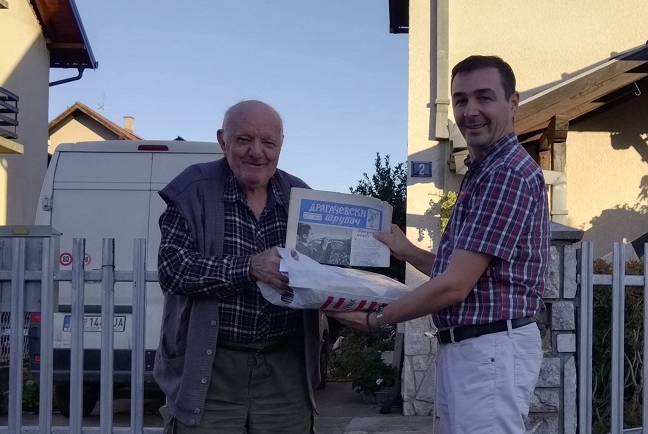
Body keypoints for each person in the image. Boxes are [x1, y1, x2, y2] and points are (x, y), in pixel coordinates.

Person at [329, 55, 550, 433]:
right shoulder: (486, 171)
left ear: (513, 103)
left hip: (488, 351)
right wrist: (405, 250)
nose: (470, 111)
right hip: (479, 351)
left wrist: (375, 319)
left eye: (484, 97)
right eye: (460, 100)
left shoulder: (506, 173)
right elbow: (464, 275)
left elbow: (455, 286)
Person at [153, 100, 321, 433]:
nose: (257, 152)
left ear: (280, 145)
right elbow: (172, 268)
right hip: (211, 368)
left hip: (285, 372)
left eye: (268, 142)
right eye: (244, 139)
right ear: (223, 140)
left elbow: (325, 272)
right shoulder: (193, 189)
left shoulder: (301, 196)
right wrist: (249, 268)